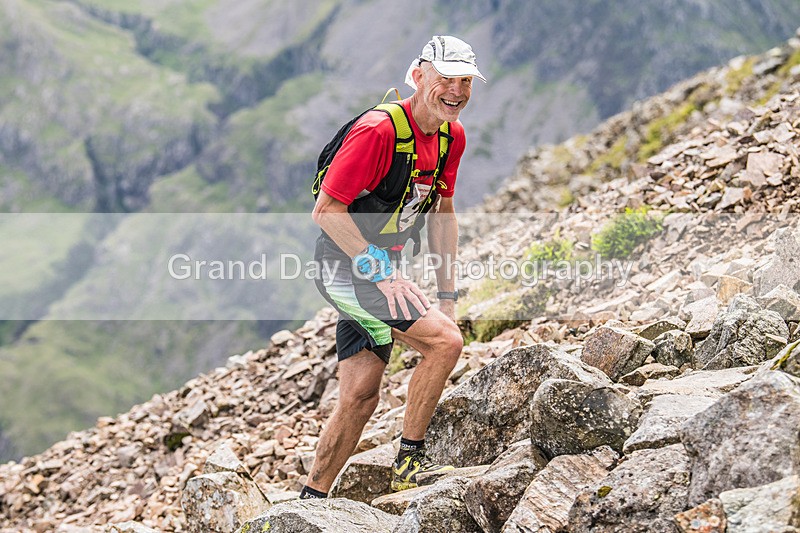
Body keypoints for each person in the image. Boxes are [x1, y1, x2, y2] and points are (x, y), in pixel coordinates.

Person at [299, 35, 485, 499]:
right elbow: (326, 211)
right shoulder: (378, 131)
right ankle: (410, 463)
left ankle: (312, 497)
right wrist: (380, 271)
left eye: (465, 81)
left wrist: (447, 295)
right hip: (344, 267)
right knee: (445, 343)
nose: (457, 92)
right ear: (419, 76)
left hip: (385, 267)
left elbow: (443, 215)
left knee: (360, 397)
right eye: (447, 79)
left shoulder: (450, 136)